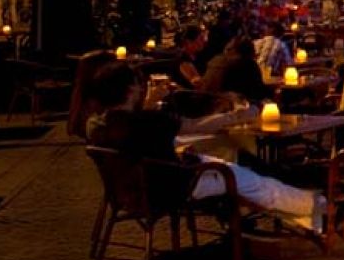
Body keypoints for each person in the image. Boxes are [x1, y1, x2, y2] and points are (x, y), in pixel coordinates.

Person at [85, 63, 325, 232]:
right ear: (131, 90)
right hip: (173, 186)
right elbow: (195, 126)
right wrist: (240, 116)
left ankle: (306, 215)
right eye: (139, 85)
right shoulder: (147, 121)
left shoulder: (97, 124)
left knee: (233, 168)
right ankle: (316, 209)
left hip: (135, 190)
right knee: (254, 182)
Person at [199, 37, 270, 103]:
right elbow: (258, 92)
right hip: (229, 107)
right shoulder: (248, 64)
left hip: (206, 103)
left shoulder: (215, 60)